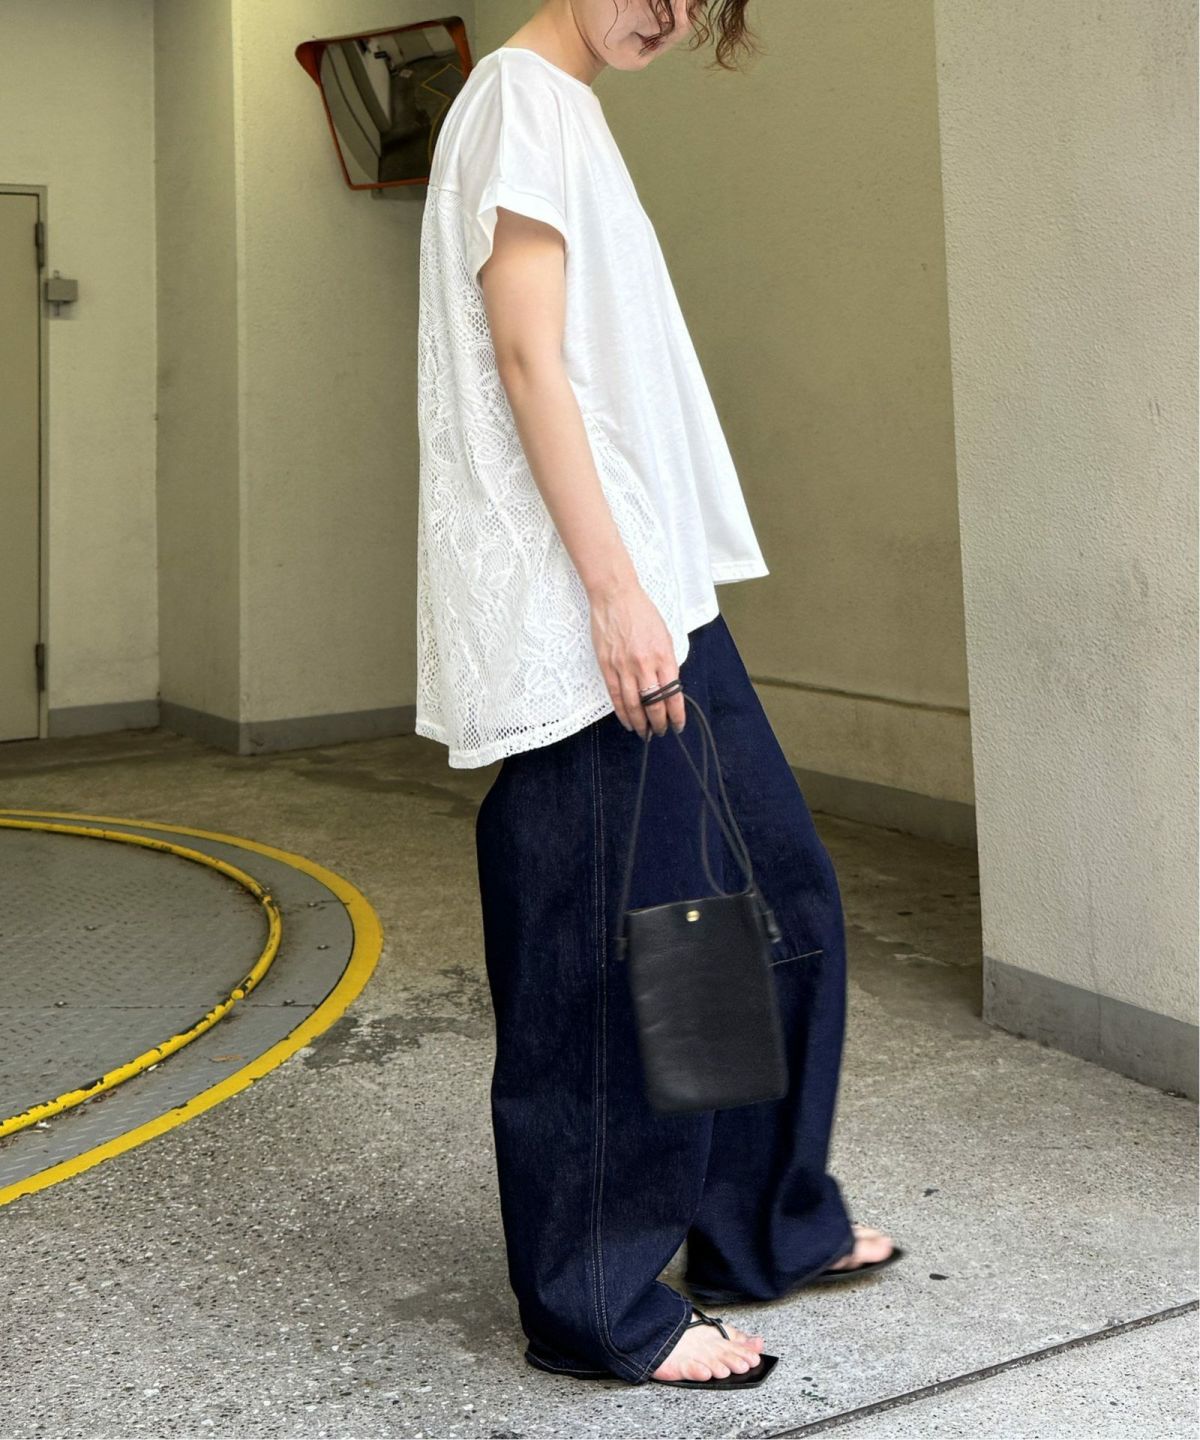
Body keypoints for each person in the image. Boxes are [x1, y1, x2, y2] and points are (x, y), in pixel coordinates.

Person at [415, 0, 902, 1389]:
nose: (671, 13)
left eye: (702, 1)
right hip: (590, 608)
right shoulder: (518, 100)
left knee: (775, 900)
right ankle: (598, 1302)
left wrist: (648, 589)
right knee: (607, 957)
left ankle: (757, 1219)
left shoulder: (565, 110)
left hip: (657, 594)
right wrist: (611, 593)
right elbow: (526, 358)